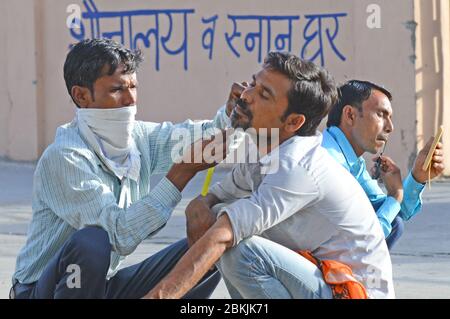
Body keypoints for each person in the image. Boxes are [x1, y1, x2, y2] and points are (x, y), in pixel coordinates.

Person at [143, 52, 395, 299]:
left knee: (237, 247)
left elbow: (222, 235)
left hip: (353, 293)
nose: (246, 95)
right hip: (320, 281)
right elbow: (219, 197)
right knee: (223, 221)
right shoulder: (264, 149)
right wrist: (199, 204)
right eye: (253, 83)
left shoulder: (297, 167)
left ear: (293, 122)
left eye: (264, 94)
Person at [10, 38, 233, 299]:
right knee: (92, 241)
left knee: (210, 244)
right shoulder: (66, 157)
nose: (130, 100)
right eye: (117, 89)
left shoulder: (140, 138)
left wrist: (232, 113)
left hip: (102, 288)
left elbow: (203, 138)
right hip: (44, 291)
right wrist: (179, 174)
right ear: (81, 95)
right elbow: (118, 234)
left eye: (133, 87)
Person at [322, 80, 445, 249]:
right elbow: (365, 242)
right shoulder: (330, 162)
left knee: (393, 220)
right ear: (350, 115)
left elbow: (395, 212)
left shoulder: (352, 160)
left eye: (390, 117)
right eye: (381, 114)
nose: (390, 127)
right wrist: (394, 195)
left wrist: (417, 176)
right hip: (305, 259)